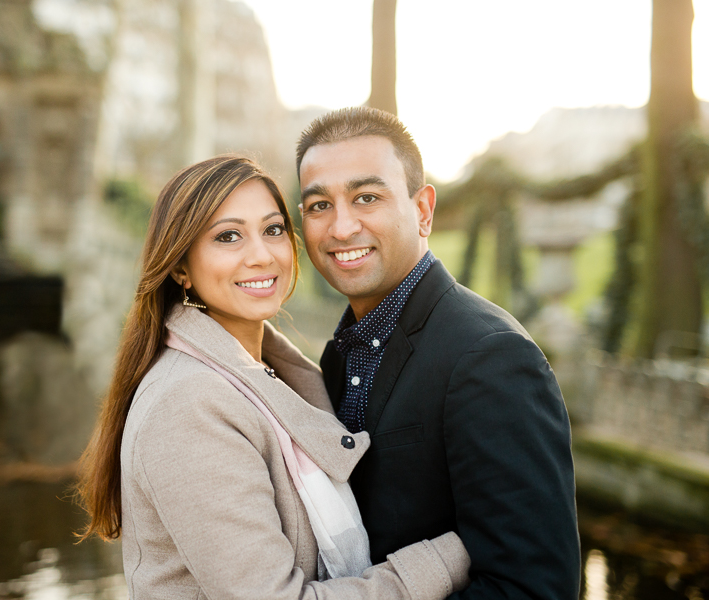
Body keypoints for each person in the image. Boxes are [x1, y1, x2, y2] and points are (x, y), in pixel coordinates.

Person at [76, 155, 471, 599]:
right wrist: (451, 555)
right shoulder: (189, 404)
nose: (261, 255)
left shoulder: (275, 375)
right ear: (180, 268)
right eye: (228, 236)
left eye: (273, 230)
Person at [296, 107, 581, 600]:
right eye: (319, 205)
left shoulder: (491, 357)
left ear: (423, 211)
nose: (341, 227)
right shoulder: (339, 356)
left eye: (367, 198)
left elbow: (534, 587)